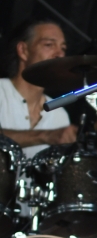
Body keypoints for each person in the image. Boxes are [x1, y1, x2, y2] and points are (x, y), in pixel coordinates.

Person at [0, 18, 76, 157]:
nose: (60, 54)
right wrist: (45, 136)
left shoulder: (60, 115)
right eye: (49, 45)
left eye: (63, 48)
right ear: (23, 50)